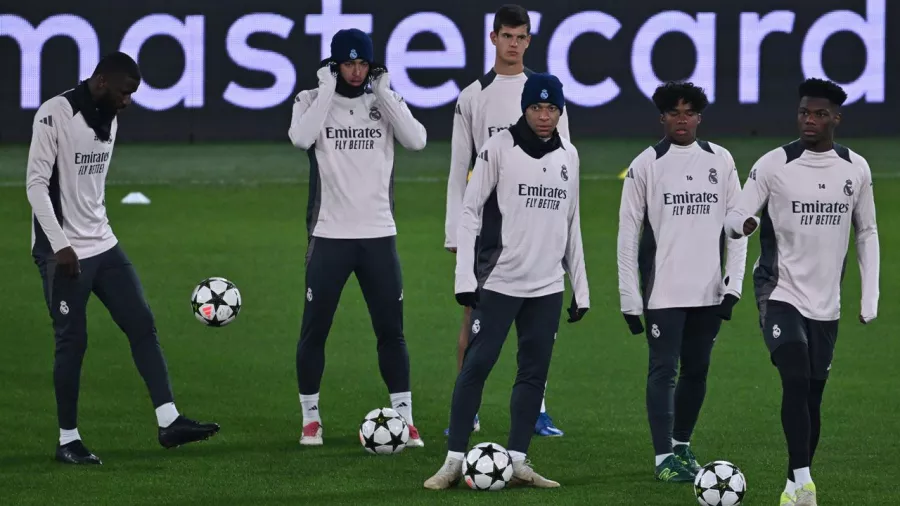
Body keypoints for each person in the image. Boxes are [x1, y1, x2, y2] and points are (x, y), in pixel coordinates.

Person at [25, 52, 220, 465]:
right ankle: (67, 440)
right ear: (100, 83)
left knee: (142, 323)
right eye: (125, 92)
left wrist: (96, 234)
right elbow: (36, 185)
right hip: (62, 253)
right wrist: (60, 245)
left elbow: (89, 190)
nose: (128, 101)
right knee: (72, 343)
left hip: (103, 243)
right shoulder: (54, 113)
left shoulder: (108, 114)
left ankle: (169, 421)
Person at [424, 72, 589, 490]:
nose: (545, 116)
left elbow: (573, 224)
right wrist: (465, 276)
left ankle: (518, 460)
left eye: (553, 108)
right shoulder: (497, 149)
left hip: (547, 287)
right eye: (537, 107)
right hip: (498, 282)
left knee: (533, 374)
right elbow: (470, 211)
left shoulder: (570, 155)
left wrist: (580, 288)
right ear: (525, 108)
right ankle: (452, 461)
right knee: (476, 368)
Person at [725, 78, 879, 506]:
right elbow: (733, 214)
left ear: (836, 118)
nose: (809, 121)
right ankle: (806, 482)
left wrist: (870, 299)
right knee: (793, 376)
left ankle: (793, 487)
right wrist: (745, 224)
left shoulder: (856, 169)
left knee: (812, 395)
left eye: (819, 114)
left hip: (826, 301)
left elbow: (867, 232)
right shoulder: (774, 164)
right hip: (780, 289)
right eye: (803, 113)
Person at [288, 29, 427, 448]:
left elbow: (417, 140)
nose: (355, 71)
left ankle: (405, 418)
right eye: (347, 64)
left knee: (391, 332)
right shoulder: (310, 100)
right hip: (329, 235)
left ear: (371, 65)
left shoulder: (381, 102)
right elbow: (300, 138)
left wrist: (385, 93)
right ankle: (311, 419)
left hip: (379, 235)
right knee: (315, 331)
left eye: (362, 64)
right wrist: (326, 89)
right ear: (334, 64)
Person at [443, 3, 570, 438]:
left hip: (536, 224)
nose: (513, 45)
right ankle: (468, 410)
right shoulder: (473, 96)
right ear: (493, 38)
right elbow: (461, 167)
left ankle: (538, 410)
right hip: (487, 230)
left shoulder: (546, 91)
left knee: (537, 327)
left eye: (521, 37)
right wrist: (454, 234)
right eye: (507, 36)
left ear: (529, 40)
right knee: (475, 322)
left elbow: (563, 166)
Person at [617, 81, 748, 482]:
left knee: (697, 371)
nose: (682, 119)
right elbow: (627, 235)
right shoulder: (646, 165)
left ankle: (681, 446)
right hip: (664, 293)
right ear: (662, 118)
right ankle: (662, 460)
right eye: (674, 112)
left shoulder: (721, 160)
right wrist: (629, 299)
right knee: (662, 371)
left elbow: (738, 228)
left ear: (699, 118)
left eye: (689, 112)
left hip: (708, 292)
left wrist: (733, 287)